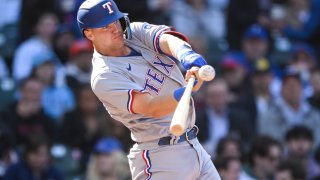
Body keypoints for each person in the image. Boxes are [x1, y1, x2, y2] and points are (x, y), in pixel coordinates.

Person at [76, 0, 221, 179]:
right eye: (106, 26)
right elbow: (151, 106)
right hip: (160, 157)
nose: (116, 28)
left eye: (116, 20)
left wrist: (187, 55)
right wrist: (186, 92)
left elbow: (166, 39)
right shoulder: (104, 76)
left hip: (194, 145)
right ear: (89, 33)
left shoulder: (134, 33)